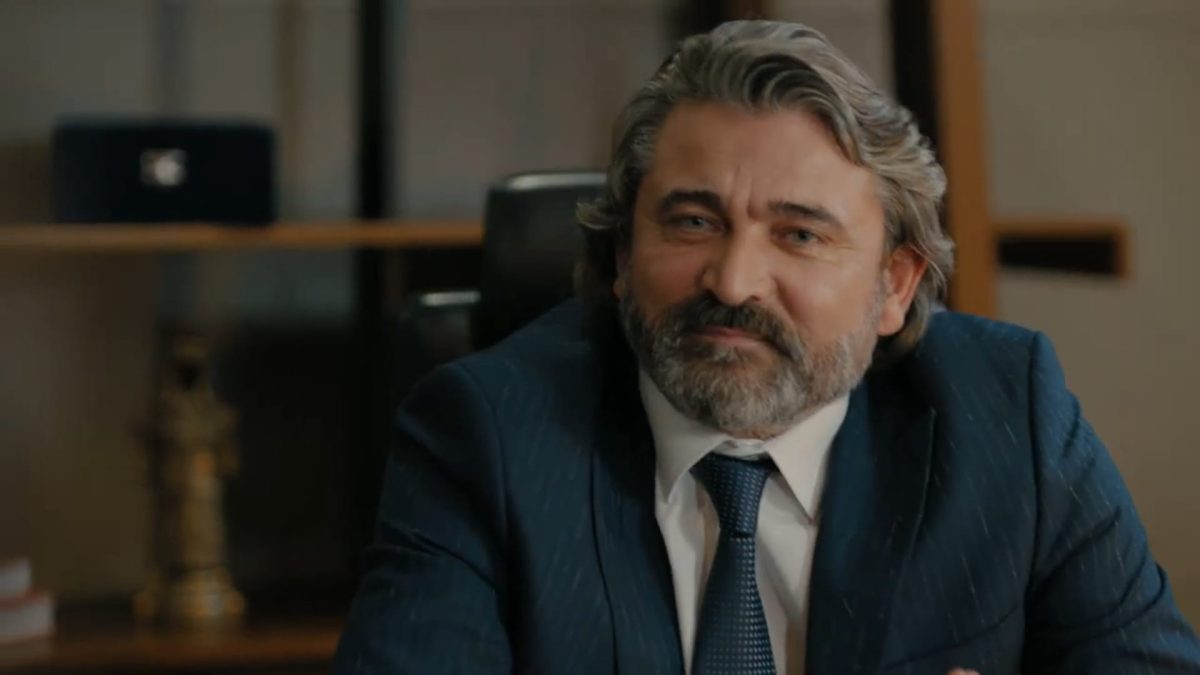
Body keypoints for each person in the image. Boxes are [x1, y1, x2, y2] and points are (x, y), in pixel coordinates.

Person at [333, 20, 1200, 675]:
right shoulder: (486, 433)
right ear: (623, 257)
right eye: (693, 221)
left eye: (800, 235)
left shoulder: (1008, 414)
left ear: (895, 285)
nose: (735, 279)